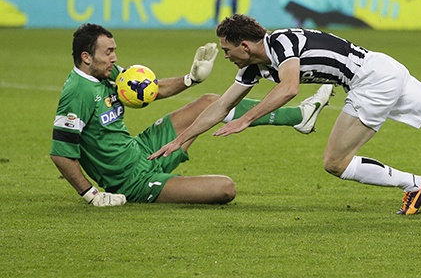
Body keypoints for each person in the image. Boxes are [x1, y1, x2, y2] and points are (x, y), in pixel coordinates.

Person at [149, 14, 421, 215]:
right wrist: (182, 139)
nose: (224, 56)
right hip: (383, 67)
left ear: (244, 43)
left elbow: (291, 87)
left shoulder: (279, 45)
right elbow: (221, 104)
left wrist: (247, 120)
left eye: (226, 49)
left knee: (334, 162)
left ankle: (415, 185)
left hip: (371, 82)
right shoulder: (254, 64)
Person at [50, 23, 332, 207]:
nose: (114, 58)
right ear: (87, 57)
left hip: (142, 149)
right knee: (225, 189)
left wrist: (190, 79)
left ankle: (299, 116)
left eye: (114, 52)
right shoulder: (78, 92)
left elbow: (149, 90)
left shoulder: (107, 72)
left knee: (208, 101)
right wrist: (91, 194)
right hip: (130, 180)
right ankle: (156, 184)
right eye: (108, 52)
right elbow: (61, 153)